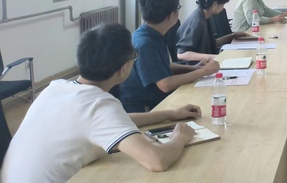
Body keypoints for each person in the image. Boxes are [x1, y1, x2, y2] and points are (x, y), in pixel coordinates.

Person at [1, 24, 201, 182]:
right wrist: (180, 138)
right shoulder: (99, 105)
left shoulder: (56, 87)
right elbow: (156, 161)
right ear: (123, 69)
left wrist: (171, 114)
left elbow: (114, 121)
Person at [119, 0, 220, 113]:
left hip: (158, 101)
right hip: (146, 109)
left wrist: (195, 68)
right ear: (173, 15)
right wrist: (203, 71)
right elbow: (165, 85)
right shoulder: (146, 44)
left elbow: (165, 66)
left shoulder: (151, 33)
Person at [176, 0, 251, 63]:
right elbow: (181, 54)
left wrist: (233, 36)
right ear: (215, 4)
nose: (223, 8)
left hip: (206, 62)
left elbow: (212, 43)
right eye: (223, 4)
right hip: (197, 66)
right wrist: (215, 57)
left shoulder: (205, 16)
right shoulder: (197, 21)